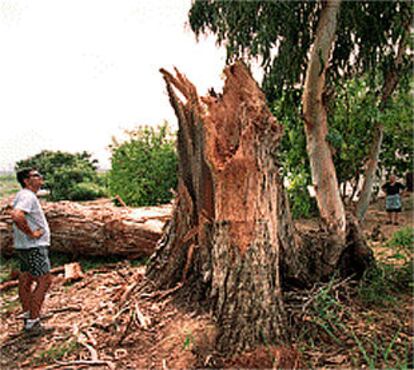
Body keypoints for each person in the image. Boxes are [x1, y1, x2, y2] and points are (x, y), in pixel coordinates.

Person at [11, 168, 52, 334]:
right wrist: (32, 233)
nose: (40, 177)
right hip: (33, 246)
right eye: (36, 175)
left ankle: (29, 314)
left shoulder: (24, 195)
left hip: (24, 246)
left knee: (26, 278)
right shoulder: (27, 196)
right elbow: (17, 215)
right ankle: (33, 322)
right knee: (44, 280)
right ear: (27, 181)